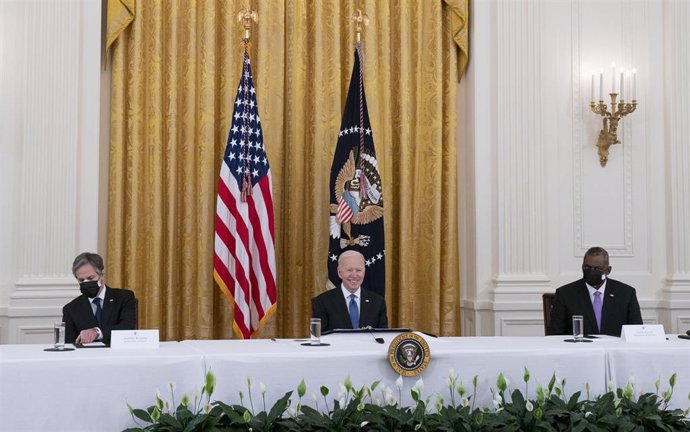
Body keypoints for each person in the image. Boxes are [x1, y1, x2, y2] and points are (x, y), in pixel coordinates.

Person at [548, 247, 642, 337]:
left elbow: (636, 332)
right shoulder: (565, 294)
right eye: (587, 268)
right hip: (580, 351)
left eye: (597, 269)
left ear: (608, 270)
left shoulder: (626, 294)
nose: (591, 272)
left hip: (615, 350)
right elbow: (555, 335)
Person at [62, 252, 137, 345]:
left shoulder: (124, 298)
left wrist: (96, 332)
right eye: (81, 280)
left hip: (118, 355)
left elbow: (127, 328)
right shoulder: (71, 309)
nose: (86, 282)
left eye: (90, 278)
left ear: (101, 275)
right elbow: (70, 344)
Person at [312, 250, 388, 332]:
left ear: (364, 272)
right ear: (339, 272)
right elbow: (320, 337)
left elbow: (382, 337)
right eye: (349, 270)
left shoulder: (378, 302)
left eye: (358, 270)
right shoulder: (322, 302)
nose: (354, 275)